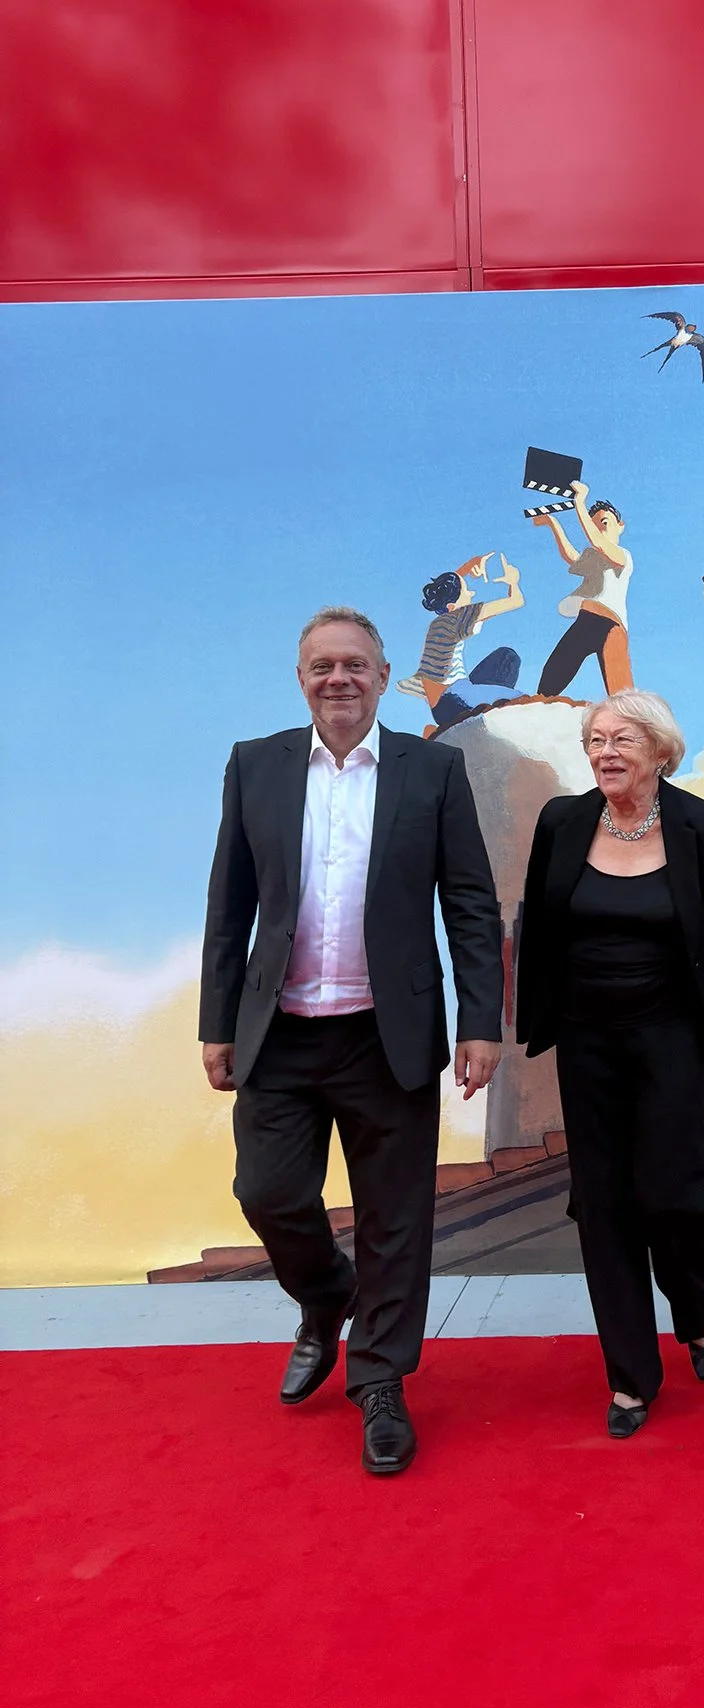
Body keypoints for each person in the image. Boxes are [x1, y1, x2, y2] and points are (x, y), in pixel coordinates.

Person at [199, 608, 504, 1475]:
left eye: (355, 664)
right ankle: (327, 1294)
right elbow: (229, 904)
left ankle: (380, 1382)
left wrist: (481, 1021)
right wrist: (217, 1023)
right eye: (322, 665)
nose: (339, 678)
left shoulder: (432, 769)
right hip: (280, 1034)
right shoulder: (255, 765)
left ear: (381, 674)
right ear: (301, 678)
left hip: (387, 1034)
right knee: (267, 1192)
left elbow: (469, 902)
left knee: (394, 1220)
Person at [516, 690, 704, 1437]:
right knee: (602, 1205)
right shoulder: (563, 822)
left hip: (671, 1036)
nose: (605, 752)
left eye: (622, 740)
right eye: (596, 740)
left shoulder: (703, 825)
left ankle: (698, 1303)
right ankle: (631, 1379)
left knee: (674, 1194)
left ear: (661, 751)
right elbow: (539, 924)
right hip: (586, 1041)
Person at [396, 551, 523, 733]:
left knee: (506, 656)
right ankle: (489, 713)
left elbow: (449, 587)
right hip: (454, 701)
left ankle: (489, 707)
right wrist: (513, 581)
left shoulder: (441, 622)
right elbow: (516, 601)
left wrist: (470, 565)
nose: (472, 593)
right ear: (452, 606)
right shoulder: (457, 618)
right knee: (522, 700)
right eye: (467, 592)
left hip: (446, 700)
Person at [533, 482, 634, 697]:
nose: (598, 529)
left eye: (604, 523)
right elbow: (571, 556)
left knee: (621, 691)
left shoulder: (622, 555)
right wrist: (552, 523)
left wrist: (580, 502)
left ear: (620, 525)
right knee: (552, 676)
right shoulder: (594, 557)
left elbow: (598, 543)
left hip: (611, 622)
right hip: (586, 619)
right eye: (594, 525)